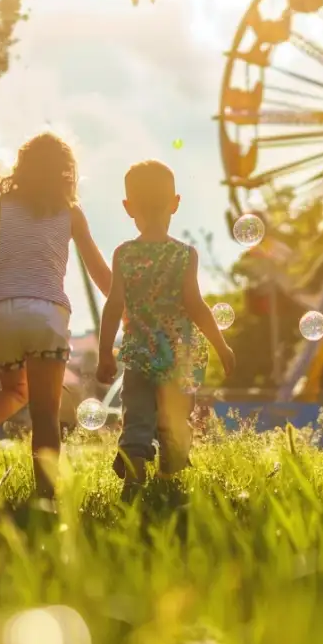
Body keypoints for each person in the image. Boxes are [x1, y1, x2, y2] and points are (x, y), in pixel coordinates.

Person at [0, 132, 113, 499]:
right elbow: (98, 271)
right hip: (46, 312)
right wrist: (127, 310)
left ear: (23, 168)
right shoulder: (71, 212)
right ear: (65, 172)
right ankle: (46, 499)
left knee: (13, 390)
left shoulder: (3, 206)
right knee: (46, 415)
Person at [95, 160, 235, 494]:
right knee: (174, 421)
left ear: (128, 208)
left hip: (140, 355)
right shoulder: (185, 255)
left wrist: (104, 354)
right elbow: (195, 305)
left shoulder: (123, 254)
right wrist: (221, 345)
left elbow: (113, 305)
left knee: (138, 418)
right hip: (177, 356)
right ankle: (169, 478)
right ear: (175, 202)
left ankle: (133, 480)